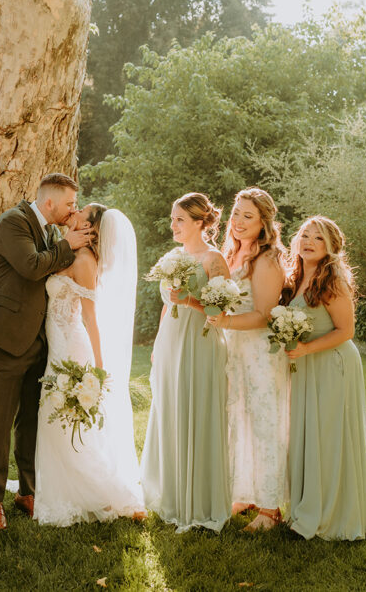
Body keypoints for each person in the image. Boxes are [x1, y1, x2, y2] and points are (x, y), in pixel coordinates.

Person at [0, 173, 92, 529]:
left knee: (30, 421)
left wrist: (66, 243)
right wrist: (69, 244)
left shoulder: (50, 231)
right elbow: (30, 268)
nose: (73, 209)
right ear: (49, 203)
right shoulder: (13, 222)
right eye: (70, 204)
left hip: (39, 339)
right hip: (7, 337)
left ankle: (27, 491)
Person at [283, 216, 366, 540]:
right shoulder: (294, 278)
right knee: (308, 435)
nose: (308, 242)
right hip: (305, 363)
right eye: (305, 235)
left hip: (332, 363)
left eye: (317, 239)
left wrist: (307, 349)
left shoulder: (333, 280)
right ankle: (307, 507)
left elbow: (346, 331)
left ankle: (332, 514)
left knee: (330, 436)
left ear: (330, 248)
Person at [34, 204, 146, 526]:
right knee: (57, 418)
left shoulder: (84, 261)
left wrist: (98, 364)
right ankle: (60, 489)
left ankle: (97, 493)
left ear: (93, 227)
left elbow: (89, 317)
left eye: (81, 210)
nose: (76, 210)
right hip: (56, 342)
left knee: (64, 418)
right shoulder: (72, 252)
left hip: (70, 347)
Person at [141, 193, 231, 533]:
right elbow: (168, 304)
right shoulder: (172, 257)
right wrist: (158, 343)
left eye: (179, 219)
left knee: (197, 411)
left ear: (199, 222)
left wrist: (190, 299)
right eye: (172, 219)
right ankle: (172, 494)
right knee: (170, 411)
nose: (173, 225)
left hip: (201, 343)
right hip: (171, 342)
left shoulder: (213, 259)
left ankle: (200, 501)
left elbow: (220, 311)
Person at [206, 187, 289, 532]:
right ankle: (247, 492)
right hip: (235, 349)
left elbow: (265, 314)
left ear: (264, 224)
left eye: (248, 216)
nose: (238, 222)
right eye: (237, 213)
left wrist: (225, 322)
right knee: (238, 419)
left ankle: (270, 509)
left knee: (264, 422)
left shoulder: (266, 260)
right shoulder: (233, 253)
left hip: (259, 352)